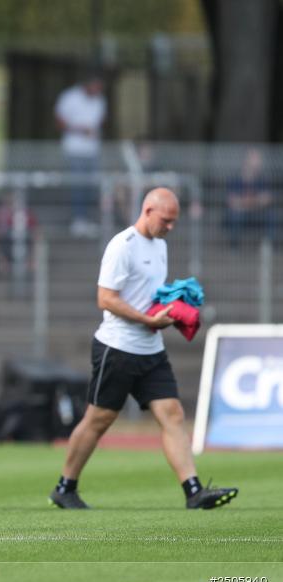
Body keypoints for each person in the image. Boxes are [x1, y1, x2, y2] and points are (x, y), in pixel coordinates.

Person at [48, 188, 238, 510]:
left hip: (151, 348)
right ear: (148, 210)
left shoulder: (160, 245)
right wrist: (148, 319)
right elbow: (105, 299)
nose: (170, 227)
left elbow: (148, 294)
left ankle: (194, 492)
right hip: (118, 348)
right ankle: (65, 488)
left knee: (172, 414)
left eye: (174, 222)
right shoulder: (122, 245)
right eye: (166, 220)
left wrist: (173, 306)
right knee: (99, 419)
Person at [55, 72, 106, 239]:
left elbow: (99, 122)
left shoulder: (100, 101)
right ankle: (78, 220)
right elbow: (59, 121)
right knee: (77, 186)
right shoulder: (70, 97)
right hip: (74, 150)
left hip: (92, 150)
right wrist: (79, 130)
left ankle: (86, 218)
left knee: (90, 186)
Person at [224, 147, 277, 247]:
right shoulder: (235, 179)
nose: (259, 162)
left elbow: (267, 199)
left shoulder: (263, 179)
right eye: (255, 159)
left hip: (257, 213)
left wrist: (246, 201)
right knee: (234, 216)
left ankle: (268, 246)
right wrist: (256, 200)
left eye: (259, 159)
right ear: (246, 160)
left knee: (272, 216)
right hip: (240, 213)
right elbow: (231, 200)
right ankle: (234, 247)